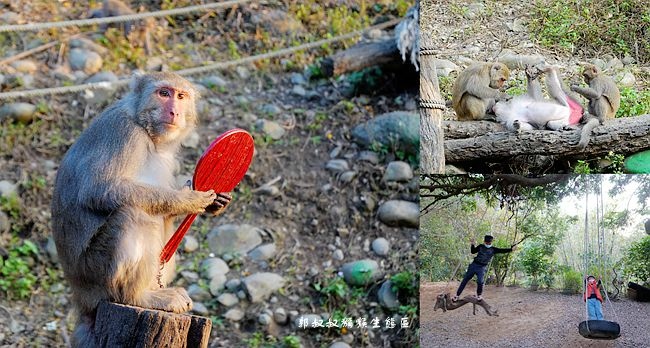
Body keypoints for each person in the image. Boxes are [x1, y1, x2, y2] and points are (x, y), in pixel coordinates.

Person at [452, 235, 516, 301]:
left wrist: (511, 249)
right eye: (486, 243)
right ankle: (457, 295)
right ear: (484, 242)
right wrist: (472, 244)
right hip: (474, 265)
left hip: (481, 268)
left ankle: (479, 295)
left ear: (491, 242)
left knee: (480, 281)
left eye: (489, 243)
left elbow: (502, 250)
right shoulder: (481, 246)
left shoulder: (493, 249)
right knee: (465, 280)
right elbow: (473, 251)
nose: (488, 244)